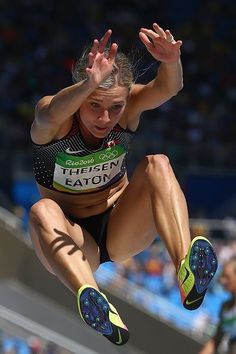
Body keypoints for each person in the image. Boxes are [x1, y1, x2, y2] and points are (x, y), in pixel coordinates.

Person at [29, 23, 218, 346]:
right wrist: (89, 84)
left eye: (115, 107)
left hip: (121, 227)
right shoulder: (56, 120)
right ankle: (93, 299)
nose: (105, 119)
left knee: (157, 163)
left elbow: (167, 88)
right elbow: (47, 115)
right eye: (94, 105)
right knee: (42, 209)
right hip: (72, 240)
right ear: (82, 94)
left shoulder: (128, 109)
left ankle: (186, 268)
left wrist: (171, 61)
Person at [199, 257, 236, 354]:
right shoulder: (225, 307)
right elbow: (215, 341)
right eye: (222, 276)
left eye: (227, 276)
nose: (222, 280)